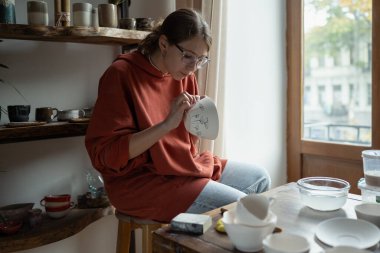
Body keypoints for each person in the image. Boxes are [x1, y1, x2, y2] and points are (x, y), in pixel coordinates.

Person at [85, 8, 270, 223]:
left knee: (259, 178)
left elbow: (186, 141)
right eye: (188, 56)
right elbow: (106, 156)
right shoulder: (121, 74)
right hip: (139, 183)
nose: (193, 68)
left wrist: (199, 119)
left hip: (179, 167)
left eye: (201, 60)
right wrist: (166, 125)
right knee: (243, 210)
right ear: (164, 44)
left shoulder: (183, 75)